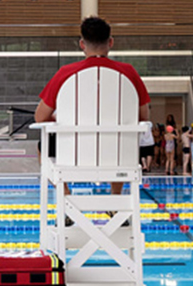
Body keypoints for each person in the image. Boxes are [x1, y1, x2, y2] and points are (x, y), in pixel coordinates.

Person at [35, 16, 150, 194]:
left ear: (82, 44)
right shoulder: (128, 72)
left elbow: (40, 117)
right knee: (122, 140)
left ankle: (65, 197)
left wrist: (62, 117)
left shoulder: (65, 73)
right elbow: (144, 116)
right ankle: (115, 196)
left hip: (73, 154)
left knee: (42, 146)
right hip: (118, 154)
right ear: (110, 42)